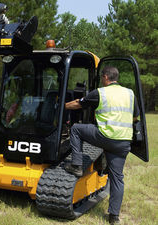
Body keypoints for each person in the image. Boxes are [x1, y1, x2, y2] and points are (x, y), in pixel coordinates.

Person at [64, 66, 139, 224]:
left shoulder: (101, 92)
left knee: (77, 129)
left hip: (105, 136)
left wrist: (61, 106)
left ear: (105, 77)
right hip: (123, 142)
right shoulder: (130, 93)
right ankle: (114, 217)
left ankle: (76, 165)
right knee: (117, 179)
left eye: (101, 78)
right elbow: (135, 117)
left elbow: (79, 104)